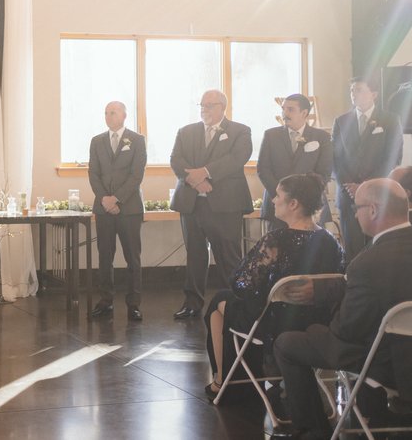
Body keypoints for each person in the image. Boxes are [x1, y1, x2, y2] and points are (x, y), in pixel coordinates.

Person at [274, 178, 412, 439]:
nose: (354, 214)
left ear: (372, 210)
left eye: (356, 207)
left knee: (288, 343)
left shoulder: (368, 262)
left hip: (387, 365)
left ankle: (313, 430)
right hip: (403, 356)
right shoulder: (372, 260)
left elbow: (347, 331)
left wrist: (317, 329)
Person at [202, 174, 344, 400]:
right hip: (318, 320)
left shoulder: (276, 240)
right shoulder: (330, 240)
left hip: (275, 323)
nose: (273, 200)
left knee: (219, 301)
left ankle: (224, 382)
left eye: (278, 196)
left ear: (293, 203)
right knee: (229, 298)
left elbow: (241, 284)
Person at [170, 89, 254, 320]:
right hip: (192, 203)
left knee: (228, 254)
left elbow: (238, 158)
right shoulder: (186, 132)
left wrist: (206, 173)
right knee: (195, 254)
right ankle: (192, 302)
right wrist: (195, 181)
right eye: (202, 105)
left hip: (226, 204)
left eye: (209, 105)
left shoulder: (240, 131)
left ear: (222, 107)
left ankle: (237, 302)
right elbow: (176, 160)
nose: (204, 109)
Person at [332, 76, 403, 262]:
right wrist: (349, 186)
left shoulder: (390, 120)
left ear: (374, 94)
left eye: (359, 90)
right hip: (348, 195)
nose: (353, 94)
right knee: (352, 252)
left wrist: (365, 187)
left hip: (377, 196)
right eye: (352, 90)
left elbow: (393, 156)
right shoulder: (341, 121)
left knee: (377, 248)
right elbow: (335, 160)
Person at [88, 101, 147, 321]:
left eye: (112, 112)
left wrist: (117, 199)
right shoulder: (97, 141)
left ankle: (134, 304)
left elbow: (136, 175)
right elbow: (93, 173)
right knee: (105, 256)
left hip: (129, 208)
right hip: (104, 208)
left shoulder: (137, 140)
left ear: (124, 115)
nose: (108, 115)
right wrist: (105, 199)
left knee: (133, 257)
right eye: (105, 112)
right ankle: (106, 300)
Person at [256, 94, 333, 231]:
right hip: (277, 204)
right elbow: (263, 169)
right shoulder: (271, 135)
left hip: (308, 205)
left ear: (304, 113)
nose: (285, 113)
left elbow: (324, 171)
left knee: (310, 250)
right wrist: (282, 197)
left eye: (290, 109)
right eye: (283, 109)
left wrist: (303, 197)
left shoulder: (321, 137)